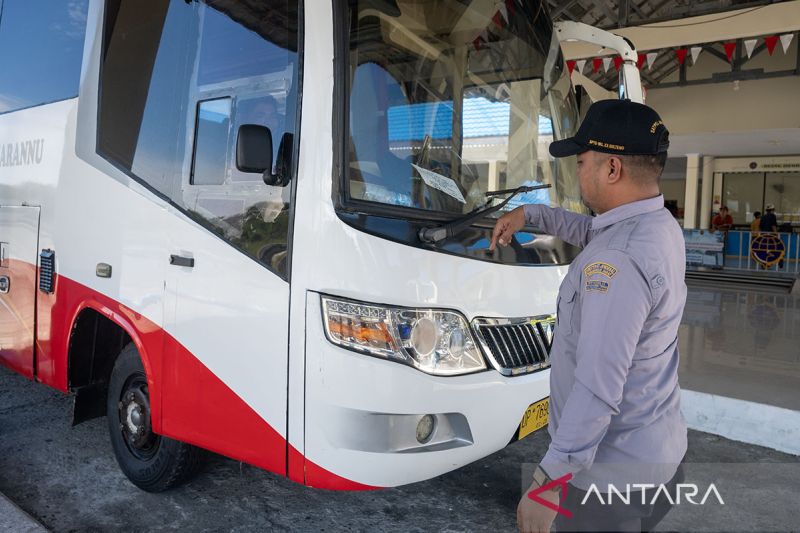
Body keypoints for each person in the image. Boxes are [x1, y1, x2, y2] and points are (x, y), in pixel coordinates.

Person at [490, 100, 687, 533]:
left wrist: (547, 482)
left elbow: (597, 386)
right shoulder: (657, 224)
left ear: (612, 168)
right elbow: (590, 232)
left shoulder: (617, 262)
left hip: (609, 478)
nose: (576, 173)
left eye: (581, 162)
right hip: (656, 448)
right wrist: (531, 213)